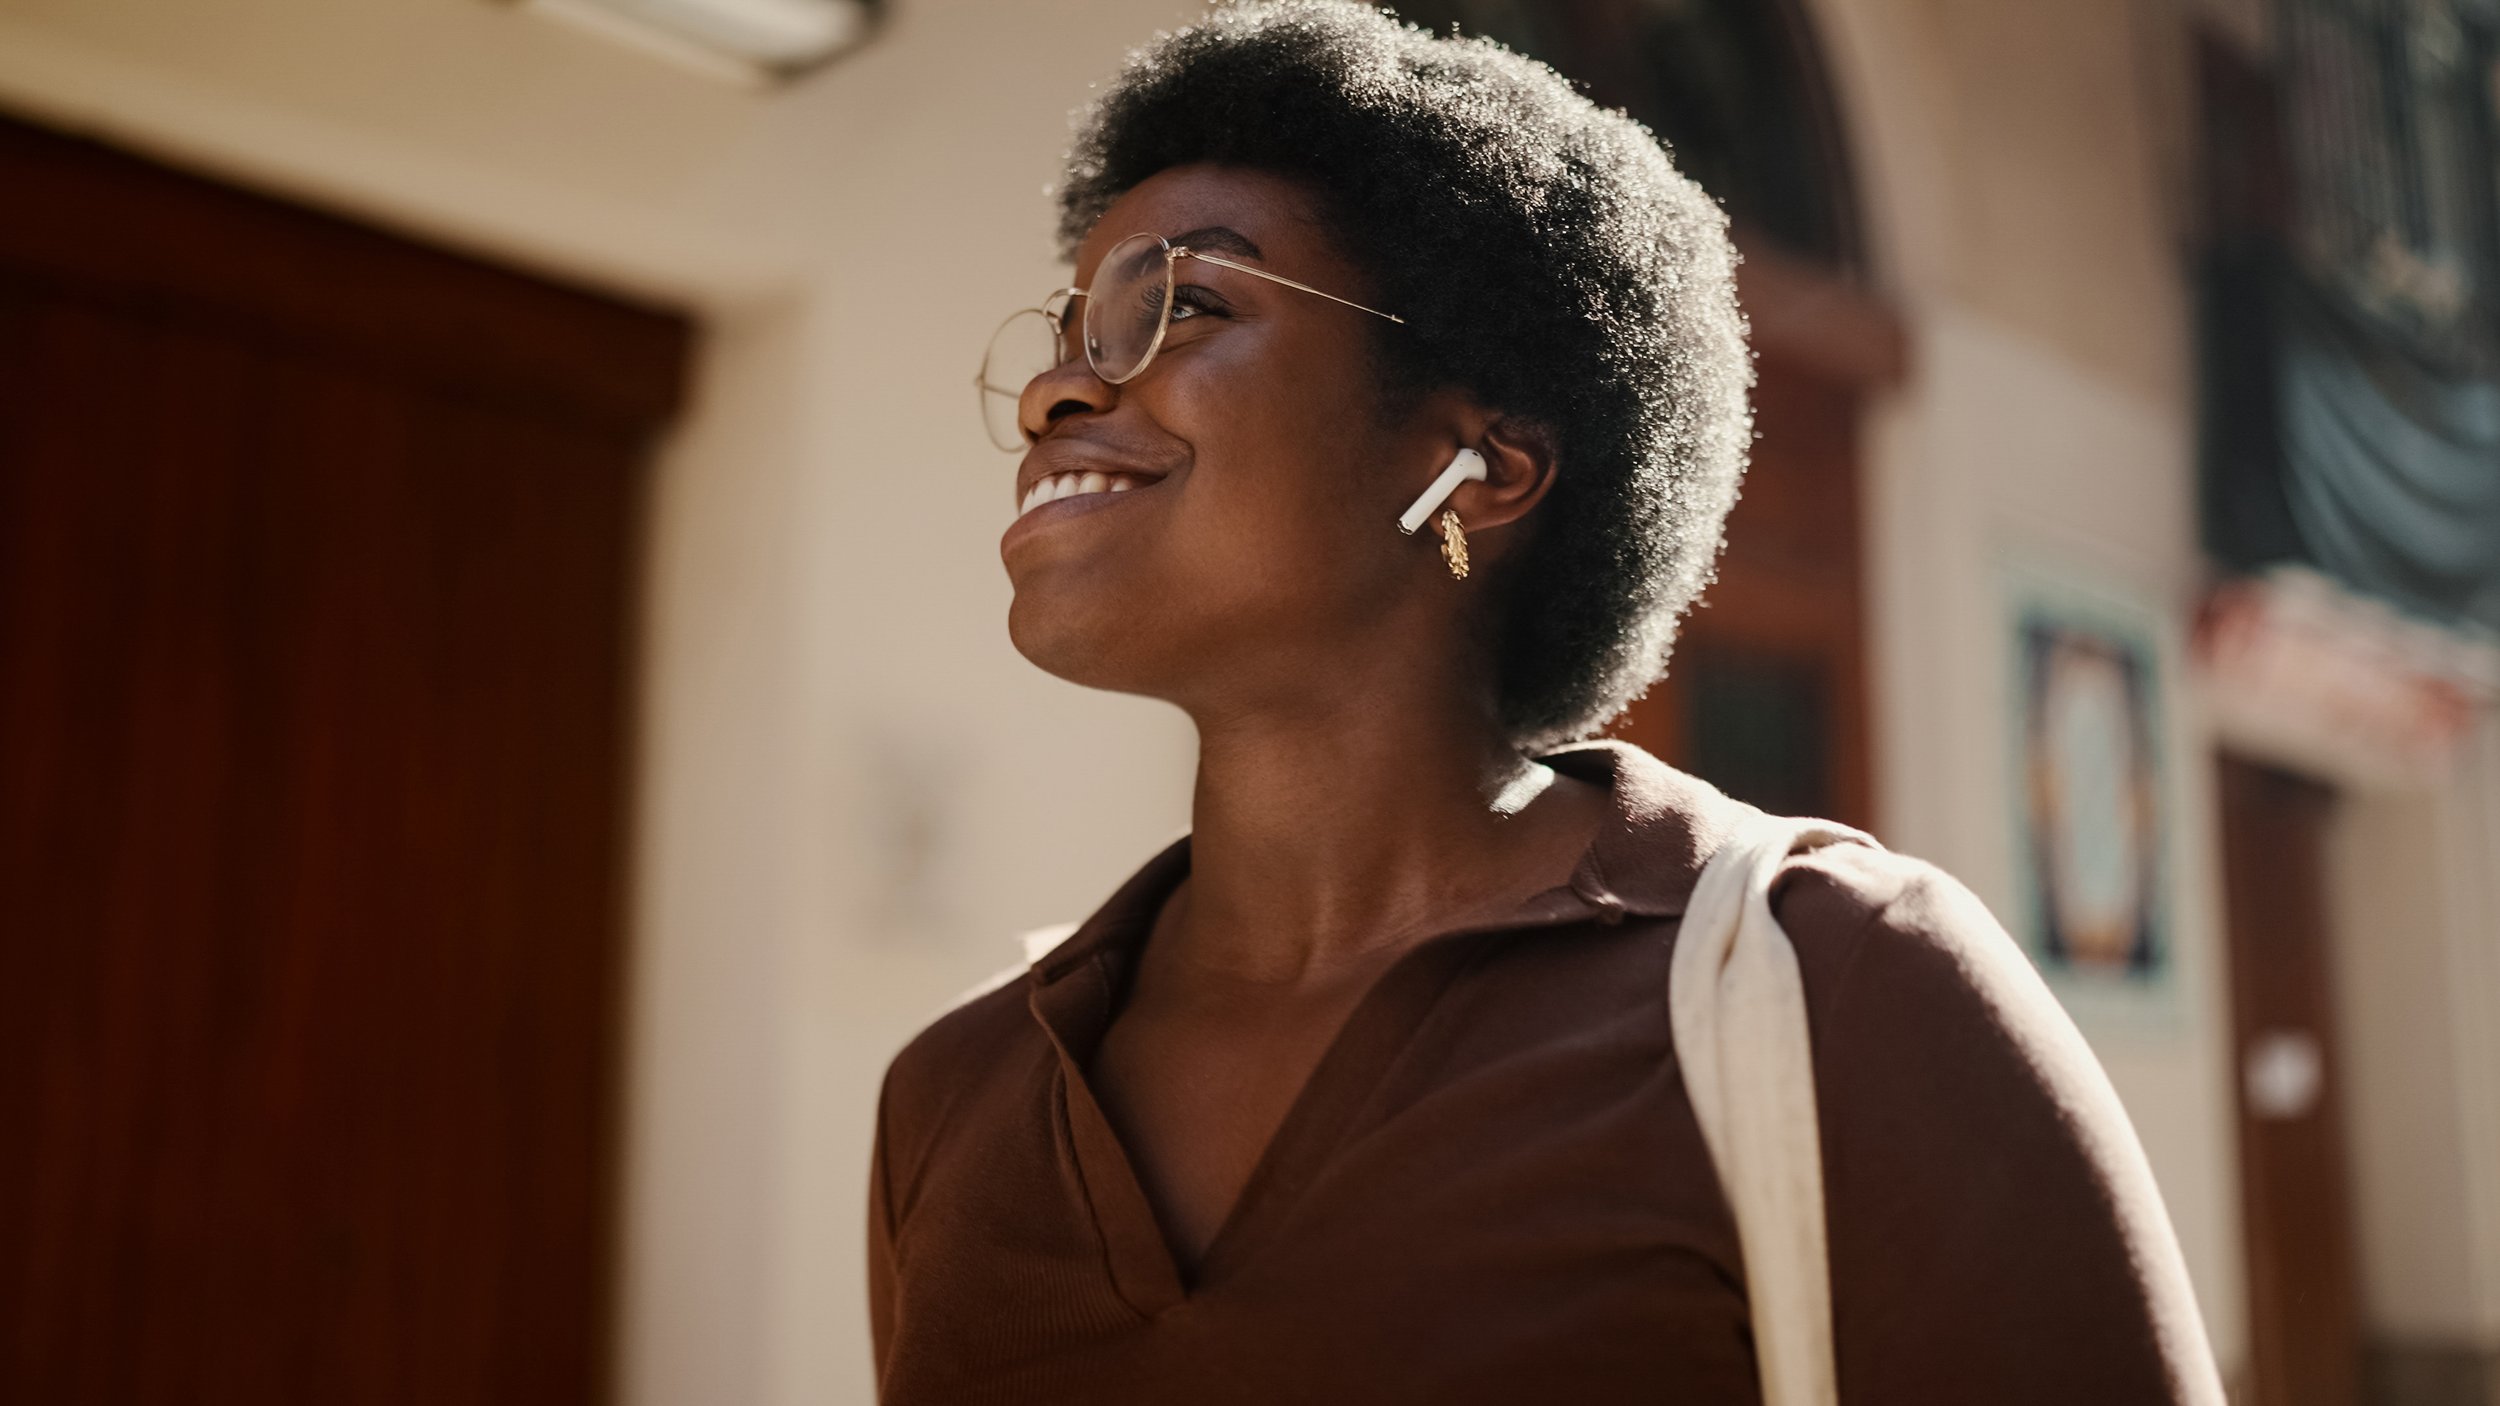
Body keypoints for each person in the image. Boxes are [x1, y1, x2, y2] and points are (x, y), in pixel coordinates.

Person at [868, 2, 2225, 1401]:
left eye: (1186, 306)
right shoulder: (955, 1098)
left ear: (1480, 467)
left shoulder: (1850, 995)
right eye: (1076, 328)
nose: (1052, 393)